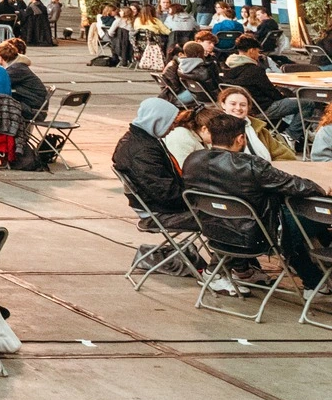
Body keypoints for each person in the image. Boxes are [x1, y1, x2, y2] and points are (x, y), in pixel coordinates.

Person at [181, 112, 325, 291]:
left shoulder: (193, 161)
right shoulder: (251, 165)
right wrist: (321, 189)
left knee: (296, 222)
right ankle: (314, 282)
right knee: (308, 219)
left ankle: (316, 280)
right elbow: (295, 185)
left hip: (213, 230)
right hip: (257, 236)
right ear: (241, 138)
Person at [114, 98, 191, 229]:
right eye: (171, 123)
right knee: (219, 216)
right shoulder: (142, 150)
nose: (173, 128)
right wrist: (195, 199)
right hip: (159, 211)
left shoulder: (139, 139)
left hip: (157, 205)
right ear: (157, 121)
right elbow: (163, 192)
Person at [0, 39, 49, 120]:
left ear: (0, 57)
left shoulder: (16, 69)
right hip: (35, 107)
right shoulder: (19, 67)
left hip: (34, 110)